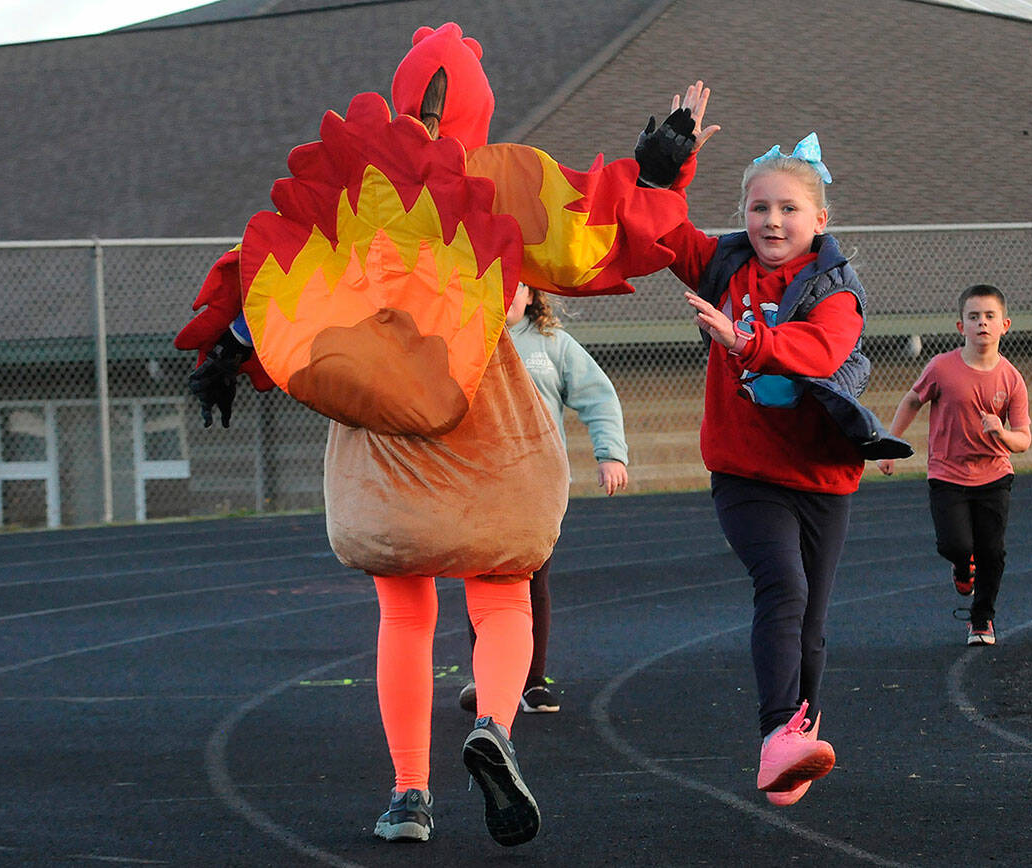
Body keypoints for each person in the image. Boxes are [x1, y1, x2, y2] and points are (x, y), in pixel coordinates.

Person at [176, 23, 692, 847]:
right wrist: (663, 167)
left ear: (406, 90)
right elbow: (599, 235)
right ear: (476, 103)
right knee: (502, 595)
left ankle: (408, 794)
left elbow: (271, 259)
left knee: (405, 616)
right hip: (486, 427)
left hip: (382, 437)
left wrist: (228, 353)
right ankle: (495, 723)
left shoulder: (362, 170)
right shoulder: (504, 175)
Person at [636, 83, 905, 806]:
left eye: (788, 209)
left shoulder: (836, 288)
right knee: (781, 585)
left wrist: (745, 338)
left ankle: (793, 745)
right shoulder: (726, 265)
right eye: (760, 207)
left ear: (821, 219)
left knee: (812, 621)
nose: (772, 220)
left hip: (822, 474)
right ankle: (774, 735)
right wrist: (666, 173)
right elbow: (660, 235)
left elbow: (820, 351)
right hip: (747, 470)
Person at [458, 282, 630, 715]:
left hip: (537, 486)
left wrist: (610, 454)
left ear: (532, 295)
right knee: (482, 582)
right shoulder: (465, 338)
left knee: (534, 580)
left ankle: (532, 681)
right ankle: (489, 677)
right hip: (477, 483)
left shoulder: (553, 345)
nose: (505, 293)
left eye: (515, 286)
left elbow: (598, 397)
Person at [876, 285, 1032, 647]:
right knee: (955, 544)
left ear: (1004, 325)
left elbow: (1024, 439)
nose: (982, 324)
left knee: (993, 551)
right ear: (961, 326)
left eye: (990, 317)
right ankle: (963, 567)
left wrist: (1002, 433)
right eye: (974, 317)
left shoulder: (1011, 379)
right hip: (947, 474)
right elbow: (913, 400)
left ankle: (982, 620)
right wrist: (889, 444)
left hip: (994, 474)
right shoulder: (941, 368)